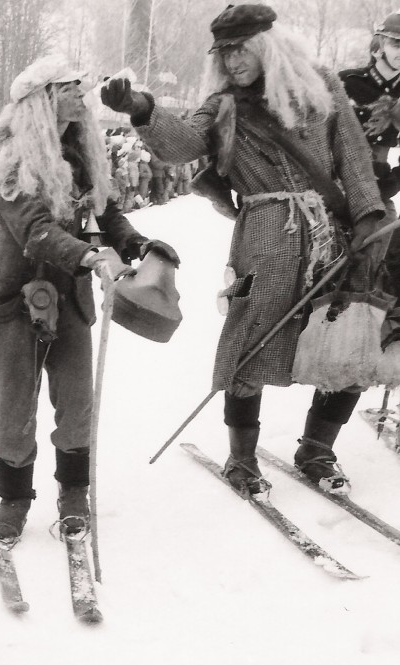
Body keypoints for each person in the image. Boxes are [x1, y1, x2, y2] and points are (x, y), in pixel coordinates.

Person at [103, 3, 385, 496]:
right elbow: (184, 142)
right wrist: (141, 108)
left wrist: (367, 218)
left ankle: (317, 447)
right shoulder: (224, 104)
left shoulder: (320, 85)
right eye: (224, 53)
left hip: (331, 233)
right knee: (249, 338)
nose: (232, 62)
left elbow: (354, 156)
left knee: (344, 336)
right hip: (266, 236)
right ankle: (241, 457)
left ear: (266, 46)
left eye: (241, 50)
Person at [0, 54, 176, 544]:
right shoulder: (10, 157)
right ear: (44, 99)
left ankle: (73, 493)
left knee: (77, 404)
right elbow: (35, 233)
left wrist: (136, 245)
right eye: (71, 89)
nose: (82, 97)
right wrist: (91, 258)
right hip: (17, 301)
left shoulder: (81, 151)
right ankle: (14, 500)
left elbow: (105, 214)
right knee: (16, 409)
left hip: (71, 301)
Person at [341, 12, 400, 315]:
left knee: (378, 256)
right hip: (336, 186)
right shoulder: (347, 82)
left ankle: (360, 323)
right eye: (397, 45)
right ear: (379, 45)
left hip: (380, 188)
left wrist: (393, 182)